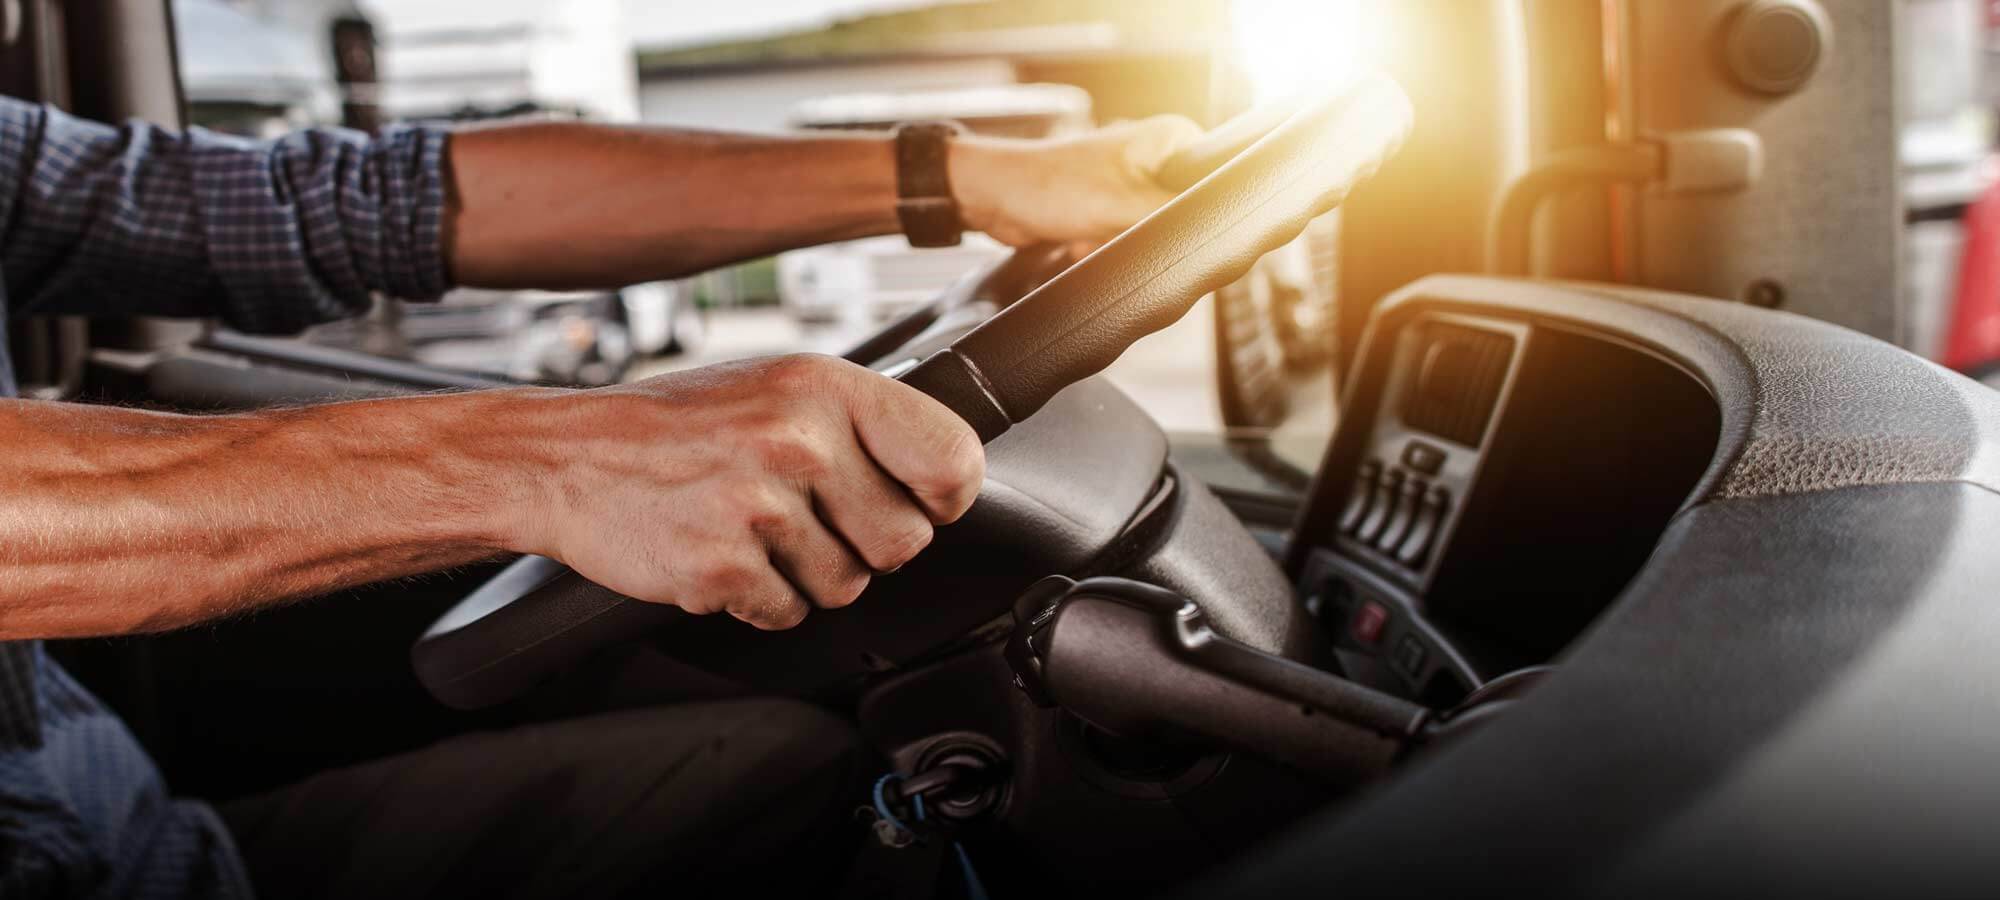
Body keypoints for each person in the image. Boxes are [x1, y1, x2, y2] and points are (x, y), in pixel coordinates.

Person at [0, 95, 1198, 898]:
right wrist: (547, 460)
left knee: (799, 780)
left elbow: (336, 203)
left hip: (134, 842)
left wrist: (967, 177)